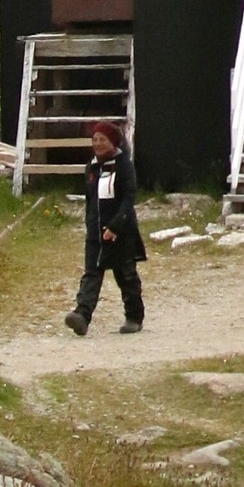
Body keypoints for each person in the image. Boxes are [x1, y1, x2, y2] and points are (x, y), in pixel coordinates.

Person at [65, 120, 144, 335]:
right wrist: (91, 225)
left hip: (121, 233)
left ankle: (134, 317)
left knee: (126, 276)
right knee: (92, 274)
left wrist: (115, 227)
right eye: (95, 139)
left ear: (113, 142)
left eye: (103, 140)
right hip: (96, 233)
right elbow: (91, 200)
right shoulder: (91, 167)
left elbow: (129, 199)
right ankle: (82, 315)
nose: (98, 144)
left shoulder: (124, 166)